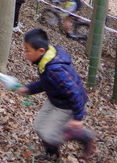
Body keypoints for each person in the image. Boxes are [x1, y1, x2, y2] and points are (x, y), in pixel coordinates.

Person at [16, 29, 95, 160]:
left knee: (48, 134)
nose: (25, 54)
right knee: (39, 126)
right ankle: (52, 154)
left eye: (27, 50)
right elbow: (47, 82)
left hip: (67, 105)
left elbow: (74, 92)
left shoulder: (56, 69)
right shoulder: (48, 57)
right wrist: (28, 89)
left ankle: (82, 136)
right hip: (55, 99)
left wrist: (78, 118)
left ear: (40, 50)